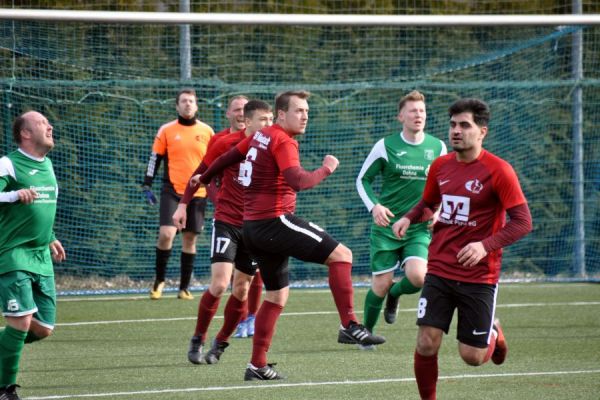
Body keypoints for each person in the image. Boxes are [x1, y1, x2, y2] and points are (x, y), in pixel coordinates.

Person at [196, 90, 385, 381]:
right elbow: (298, 181)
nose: (305, 115)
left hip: (252, 228)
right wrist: (327, 169)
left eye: (307, 110)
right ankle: (350, 324)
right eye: (299, 110)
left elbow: (231, 155)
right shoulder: (282, 139)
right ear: (281, 114)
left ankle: (257, 365)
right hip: (274, 222)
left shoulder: (262, 135)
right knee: (342, 255)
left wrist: (205, 177)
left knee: (276, 295)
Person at [392, 98, 533, 400]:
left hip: (479, 276)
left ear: (482, 131)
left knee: (472, 356)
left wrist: (485, 246)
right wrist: (409, 216)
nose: (456, 131)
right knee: (426, 342)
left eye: (464, 125)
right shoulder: (440, 166)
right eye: (453, 125)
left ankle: (493, 334)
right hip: (440, 269)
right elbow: (429, 203)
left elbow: (522, 222)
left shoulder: (499, 171)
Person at [172, 99, 273, 365]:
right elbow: (201, 173)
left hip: (254, 226)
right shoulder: (224, 143)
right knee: (219, 284)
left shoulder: (274, 145)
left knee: (241, 290)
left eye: (271, 119)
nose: (269, 124)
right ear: (246, 121)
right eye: (263, 119)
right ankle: (199, 337)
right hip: (227, 221)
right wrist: (183, 205)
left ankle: (221, 342)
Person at [356, 90, 446, 347]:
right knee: (380, 284)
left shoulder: (437, 146)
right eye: (413, 111)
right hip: (386, 227)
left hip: (418, 227)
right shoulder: (385, 146)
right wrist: (375, 207)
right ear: (400, 116)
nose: (419, 115)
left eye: (422, 111)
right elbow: (362, 179)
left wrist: (439, 210)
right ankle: (366, 333)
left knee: (418, 277)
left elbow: (444, 184)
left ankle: (395, 295)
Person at [0, 111, 66, 400]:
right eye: (42, 123)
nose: (50, 126)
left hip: (41, 256)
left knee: (43, 328)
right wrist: (14, 195)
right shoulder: (9, 163)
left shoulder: (48, 164)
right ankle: (5, 389)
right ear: (25, 133)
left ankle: (5, 351)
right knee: (21, 322)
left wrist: (50, 238)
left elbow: (43, 208)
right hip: (13, 254)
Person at [142, 88, 214, 300]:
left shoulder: (207, 131)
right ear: (177, 106)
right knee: (166, 234)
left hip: (199, 192)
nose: (187, 104)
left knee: (190, 239)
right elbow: (155, 159)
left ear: (197, 105)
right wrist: (147, 184)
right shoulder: (166, 130)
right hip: (171, 191)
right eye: (183, 101)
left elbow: (215, 163)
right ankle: (159, 281)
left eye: (191, 101)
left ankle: (184, 287)